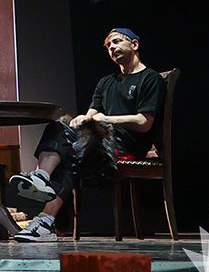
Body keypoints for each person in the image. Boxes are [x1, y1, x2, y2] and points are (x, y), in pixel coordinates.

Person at [9, 28, 165, 243]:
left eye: (117, 42)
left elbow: (144, 123)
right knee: (59, 127)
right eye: (109, 45)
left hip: (127, 144)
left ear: (134, 45)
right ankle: (41, 179)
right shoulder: (106, 82)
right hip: (97, 139)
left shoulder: (150, 78)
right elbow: (92, 114)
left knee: (73, 153)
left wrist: (105, 119)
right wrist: (82, 118)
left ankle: (45, 221)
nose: (112, 48)